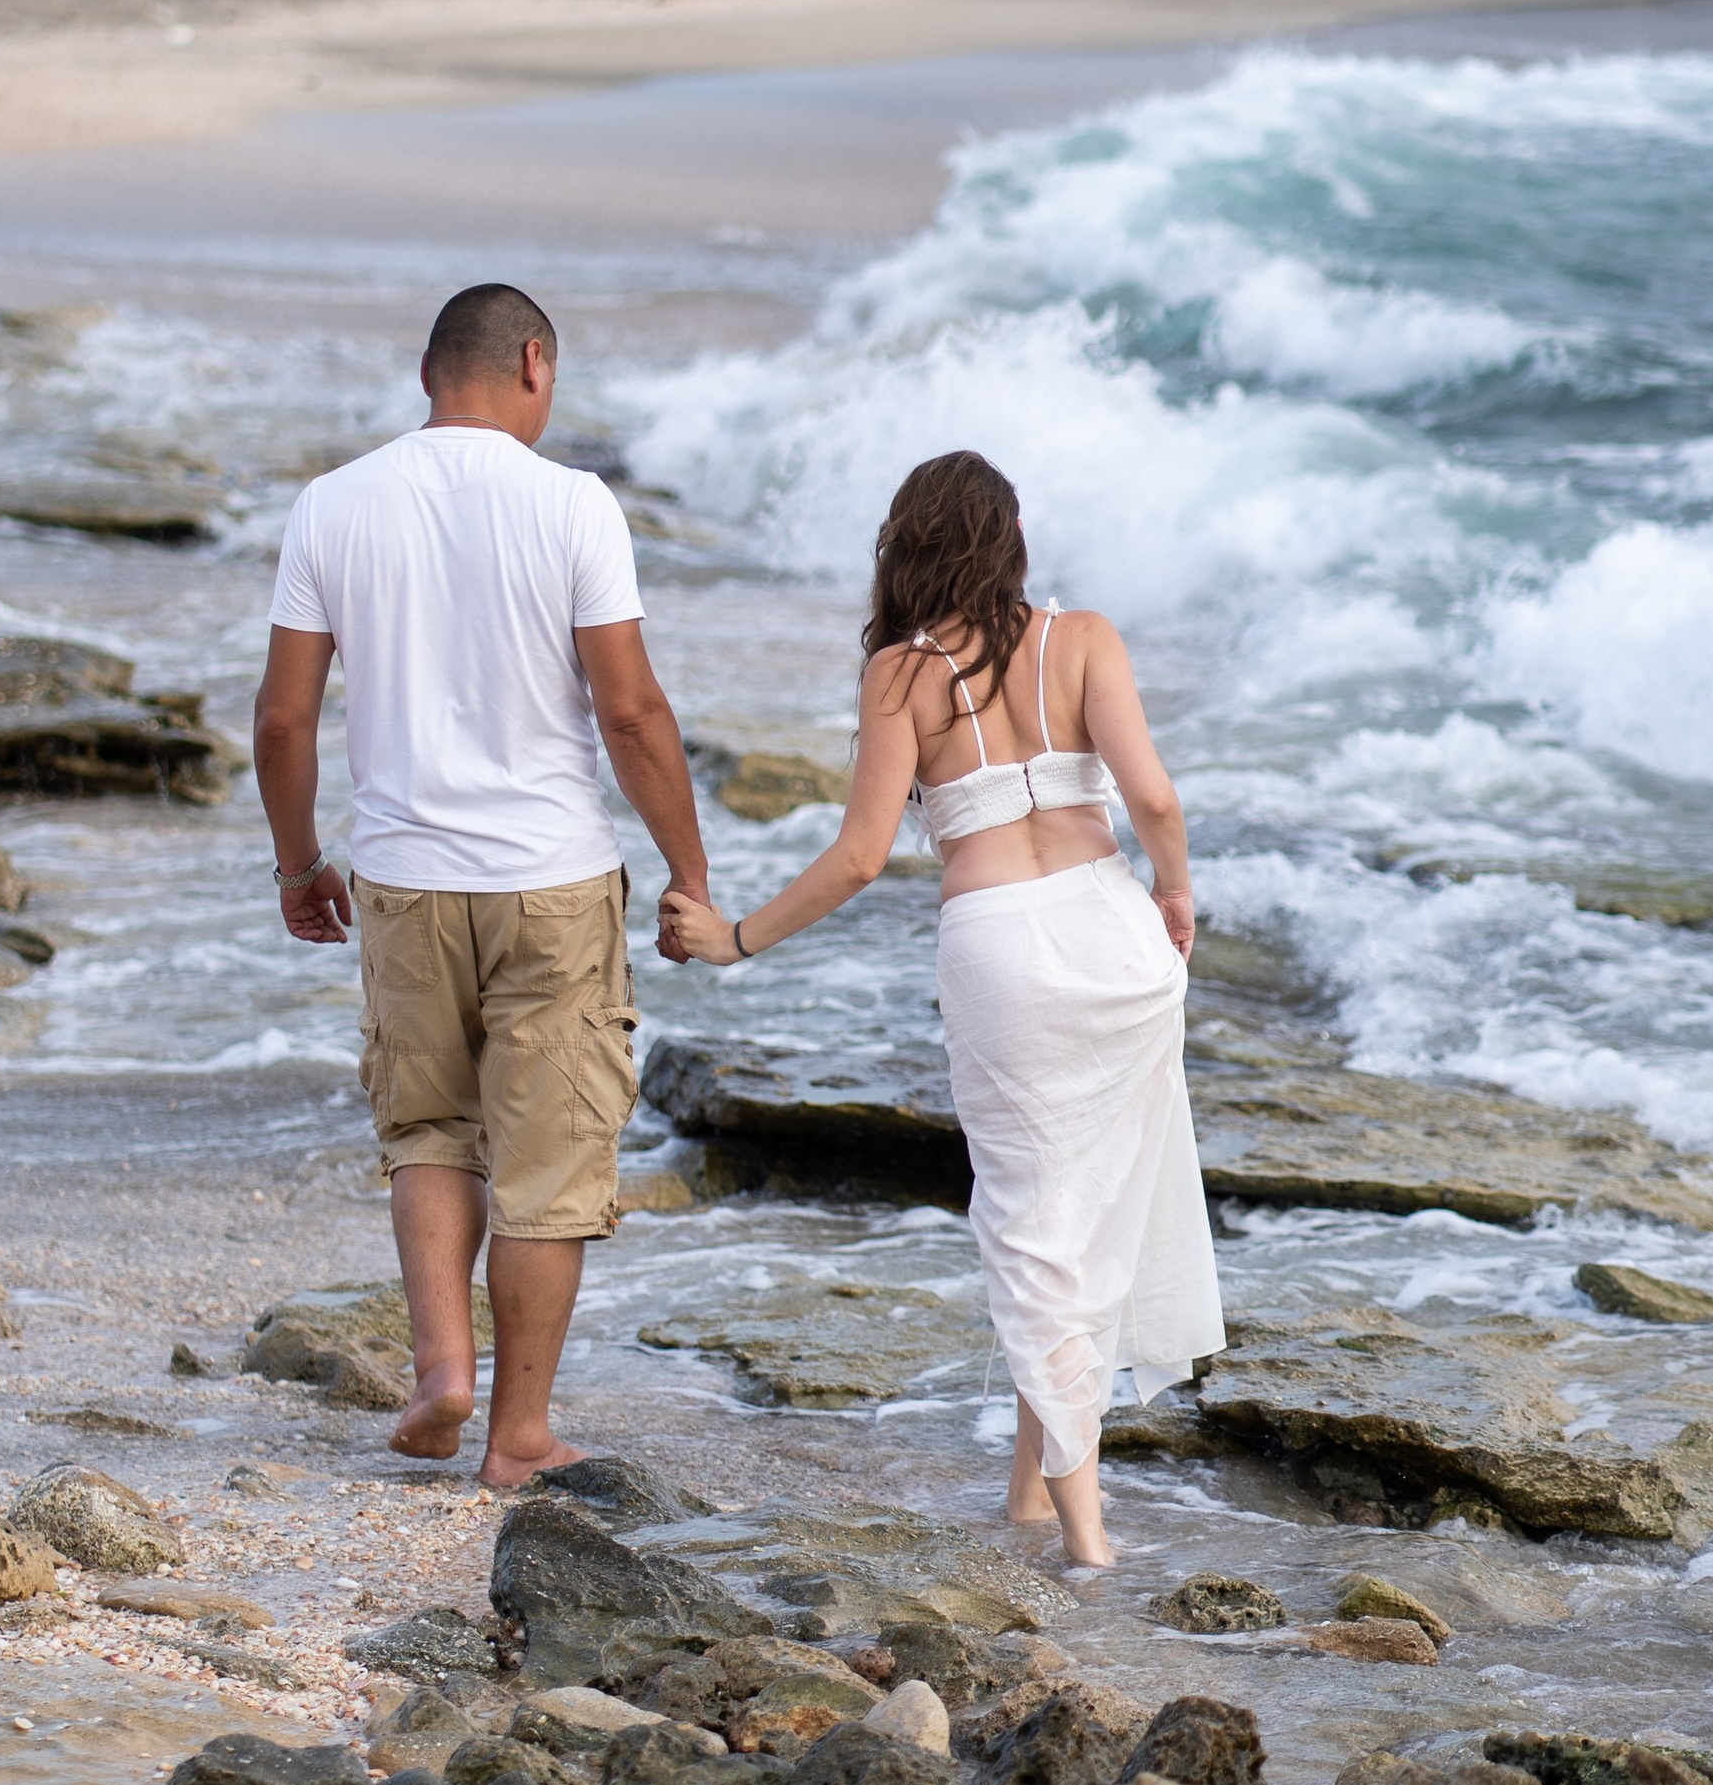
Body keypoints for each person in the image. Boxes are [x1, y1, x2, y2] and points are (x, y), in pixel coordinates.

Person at [658, 449, 1220, 1566]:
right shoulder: (1086, 637)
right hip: (1117, 943)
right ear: (1008, 540)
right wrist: (1172, 889)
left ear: (905, 548)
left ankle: (1086, 1537)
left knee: (1029, 1224)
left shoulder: (899, 679)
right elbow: (1151, 795)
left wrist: (737, 941)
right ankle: (1029, 1493)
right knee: (1087, 1213)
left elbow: (862, 855)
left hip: (1003, 949)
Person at [253, 280, 710, 1489]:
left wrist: (301, 861)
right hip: (552, 879)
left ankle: (441, 1372)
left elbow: (283, 719)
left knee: (429, 1132)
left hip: (401, 877)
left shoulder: (332, 505)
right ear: (533, 364)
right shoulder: (574, 506)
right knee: (550, 1166)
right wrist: (688, 869)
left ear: (424, 377)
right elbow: (631, 708)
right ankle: (518, 1432)